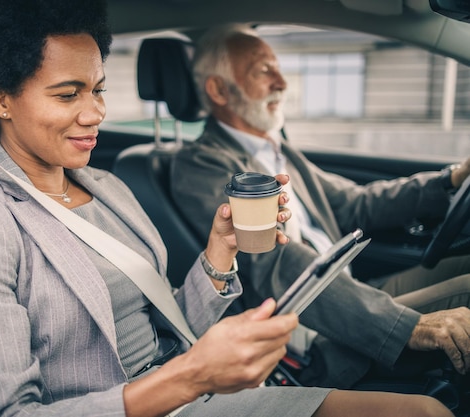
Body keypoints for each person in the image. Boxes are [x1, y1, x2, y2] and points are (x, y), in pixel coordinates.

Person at [0, 1, 453, 416]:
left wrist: (220, 255)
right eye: (67, 94)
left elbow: (165, 329)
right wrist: (191, 376)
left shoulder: (105, 185)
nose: (94, 114)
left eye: (99, 90)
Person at [170, 23, 470, 389]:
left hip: (351, 297)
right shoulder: (204, 164)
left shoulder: (277, 151)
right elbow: (272, 258)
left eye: (277, 68)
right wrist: (406, 326)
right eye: (263, 70)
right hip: (315, 335)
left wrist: (451, 179)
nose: (281, 82)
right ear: (218, 89)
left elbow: (355, 203)